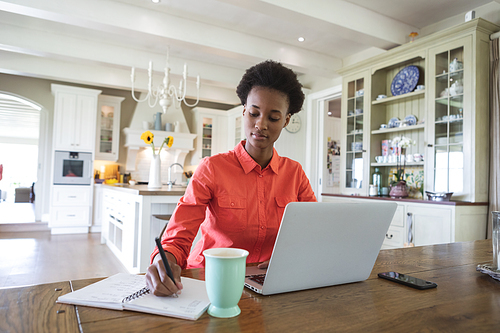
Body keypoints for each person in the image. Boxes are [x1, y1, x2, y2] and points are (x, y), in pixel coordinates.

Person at [146, 60, 317, 296]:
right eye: (254, 113)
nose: (260, 125)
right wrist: (164, 260)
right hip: (210, 280)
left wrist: (292, 258)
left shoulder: (295, 173)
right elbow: (179, 235)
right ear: (244, 110)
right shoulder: (212, 168)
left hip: (270, 283)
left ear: (286, 120)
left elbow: (313, 233)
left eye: (274, 118)